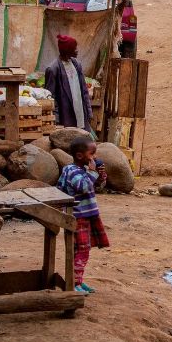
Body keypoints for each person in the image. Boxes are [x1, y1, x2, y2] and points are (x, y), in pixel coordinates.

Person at [57, 135, 110, 294]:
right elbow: (83, 187)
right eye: (91, 154)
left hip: (86, 215)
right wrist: (92, 173)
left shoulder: (82, 170)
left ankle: (78, 281)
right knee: (82, 250)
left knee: (81, 249)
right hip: (78, 217)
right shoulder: (73, 171)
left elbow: (97, 187)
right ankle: (74, 283)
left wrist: (100, 176)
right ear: (80, 156)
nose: (95, 157)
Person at [44, 35, 94, 133]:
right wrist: (56, 120)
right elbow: (50, 98)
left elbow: (84, 91)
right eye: (74, 48)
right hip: (65, 117)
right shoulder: (53, 69)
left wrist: (88, 112)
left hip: (80, 114)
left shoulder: (76, 65)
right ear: (68, 50)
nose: (77, 50)